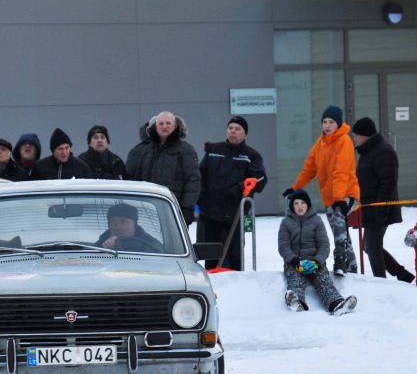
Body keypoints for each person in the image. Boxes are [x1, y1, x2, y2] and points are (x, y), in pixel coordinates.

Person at [283, 105, 359, 276]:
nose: (327, 125)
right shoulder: (321, 143)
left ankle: (341, 261)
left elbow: (342, 171)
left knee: (340, 229)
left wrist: (340, 198)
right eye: (325, 121)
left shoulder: (344, 141)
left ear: (338, 124)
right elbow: (309, 168)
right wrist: (296, 188)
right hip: (330, 197)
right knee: (340, 231)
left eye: (331, 122)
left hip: (346, 194)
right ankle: (353, 268)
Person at [198, 115, 267, 270]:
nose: (233, 131)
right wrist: (201, 200)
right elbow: (200, 175)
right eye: (230, 128)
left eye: (237, 129)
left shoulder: (252, 155)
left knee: (235, 254)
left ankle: (236, 283)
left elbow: (260, 178)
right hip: (211, 212)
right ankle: (212, 282)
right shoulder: (214, 150)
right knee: (211, 253)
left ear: (244, 133)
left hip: (235, 213)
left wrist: (241, 187)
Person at [351, 117, 414, 283]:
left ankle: (381, 282)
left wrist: (381, 209)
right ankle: (402, 274)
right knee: (369, 245)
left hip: (380, 208)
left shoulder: (383, 151)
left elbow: (388, 183)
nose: (355, 138)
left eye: (357, 135)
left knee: (371, 246)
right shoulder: (368, 151)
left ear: (366, 135)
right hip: (371, 208)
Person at [278, 189, 356, 315]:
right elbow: (283, 246)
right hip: (295, 263)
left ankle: (337, 303)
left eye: (302, 203)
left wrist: (317, 261)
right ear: (292, 205)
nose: (299, 206)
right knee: (295, 280)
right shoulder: (286, 222)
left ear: (308, 204)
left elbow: (324, 245)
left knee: (324, 281)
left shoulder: (317, 221)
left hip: (315, 261)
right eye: (296, 203)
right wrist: (295, 261)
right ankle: (296, 302)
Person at [124, 111, 200, 225]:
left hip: (173, 208)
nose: (164, 126)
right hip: (147, 208)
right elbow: (137, 179)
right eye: (161, 123)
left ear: (175, 126)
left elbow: (193, 180)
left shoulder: (186, 150)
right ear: (155, 126)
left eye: (168, 123)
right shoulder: (146, 151)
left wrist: (187, 208)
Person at [94, 203, 162, 253]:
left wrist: (120, 242)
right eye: (113, 222)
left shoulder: (150, 243)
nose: (118, 226)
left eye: (123, 222)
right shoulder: (103, 241)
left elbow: (159, 253)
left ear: (134, 224)